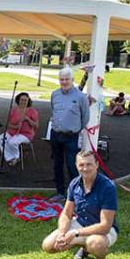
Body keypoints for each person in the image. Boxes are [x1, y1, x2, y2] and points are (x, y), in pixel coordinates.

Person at [42, 151, 119, 259]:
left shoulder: (108, 187)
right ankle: (84, 247)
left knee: (95, 243)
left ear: (97, 165)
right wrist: (62, 234)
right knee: (48, 246)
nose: (85, 168)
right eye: (81, 165)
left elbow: (105, 225)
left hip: (103, 230)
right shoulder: (74, 183)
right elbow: (67, 214)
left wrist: (74, 233)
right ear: (76, 166)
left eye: (89, 164)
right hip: (81, 224)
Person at [50, 67, 90, 201]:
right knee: (57, 164)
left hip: (71, 137)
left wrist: (75, 128)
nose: (64, 81)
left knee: (72, 166)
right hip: (56, 135)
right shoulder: (55, 94)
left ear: (72, 80)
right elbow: (53, 111)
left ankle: (75, 195)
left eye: (67, 79)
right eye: (62, 79)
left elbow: (85, 117)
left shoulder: (80, 96)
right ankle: (60, 192)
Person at [0, 92, 39, 166]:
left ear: (28, 101)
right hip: (12, 132)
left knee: (12, 142)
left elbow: (36, 125)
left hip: (26, 134)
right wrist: (15, 127)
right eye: (21, 100)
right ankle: (10, 157)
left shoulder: (32, 111)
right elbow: (8, 124)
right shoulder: (13, 110)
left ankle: (16, 157)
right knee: (0, 139)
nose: (23, 102)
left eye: (25, 100)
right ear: (18, 100)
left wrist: (28, 119)